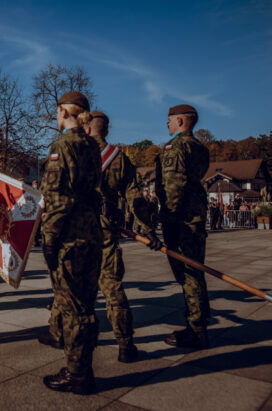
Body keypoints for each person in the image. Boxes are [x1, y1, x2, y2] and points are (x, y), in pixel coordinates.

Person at [82, 111, 162, 363]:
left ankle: (74, 340)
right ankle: (125, 344)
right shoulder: (120, 160)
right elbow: (135, 198)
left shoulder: (74, 153)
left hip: (77, 231)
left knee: (77, 289)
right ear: (106, 130)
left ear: (87, 128)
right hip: (106, 229)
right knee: (112, 287)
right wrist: (148, 229)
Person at [38, 91, 102, 395]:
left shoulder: (62, 145)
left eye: (57, 112)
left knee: (72, 307)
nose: (55, 116)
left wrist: (48, 240)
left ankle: (78, 376)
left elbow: (57, 199)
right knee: (86, 305)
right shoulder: (92, 145)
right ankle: (82, 366)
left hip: (70, 238)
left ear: (64, 111)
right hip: (92, 236)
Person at [155, 104, 210, 349]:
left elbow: (173, 187)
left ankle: (196, 329)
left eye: (168, 120)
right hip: (196, 216)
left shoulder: (175, 147)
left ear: (179, 121)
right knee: (196, 270)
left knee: (188, 274)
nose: (166, 124)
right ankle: (201, 319)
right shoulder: (200, 148)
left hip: (181, 221)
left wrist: (166, 217)